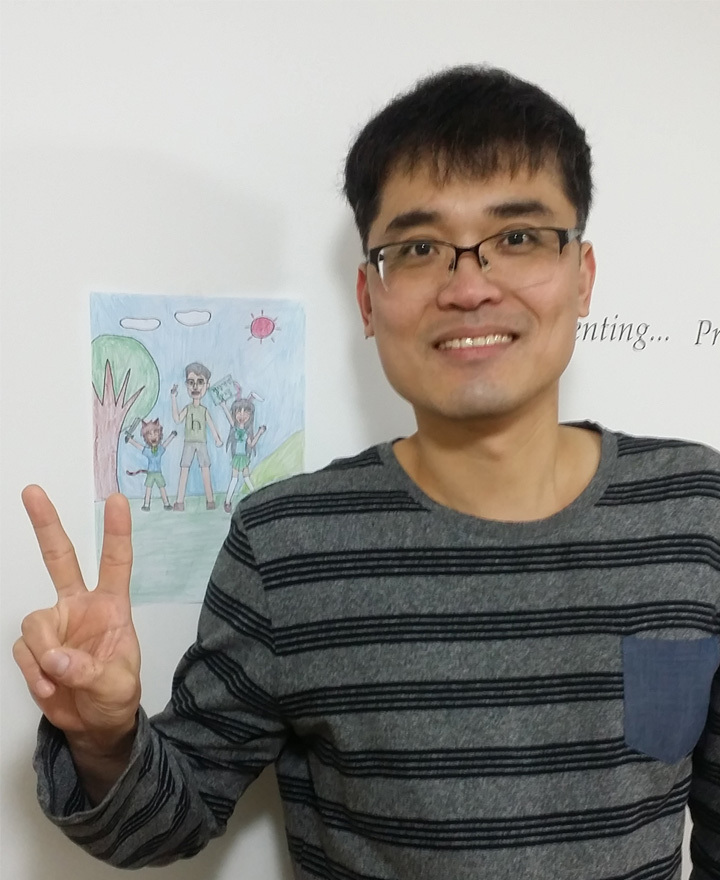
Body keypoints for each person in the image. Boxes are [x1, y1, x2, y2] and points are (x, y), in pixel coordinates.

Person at [13, 66, 720, 878]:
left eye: (519, 237)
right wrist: (104, 737)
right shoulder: (287, 544)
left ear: (582, 276)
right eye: (418, 248)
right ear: (368, 299)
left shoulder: (696, 509)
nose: (470, 286)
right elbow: (164, 826)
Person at [170, 361, 224, 511]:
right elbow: (177, 419)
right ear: (187, 385)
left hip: (201, 443)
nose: (195, 387)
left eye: (200, 382)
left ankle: (210, 500)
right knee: (184, 469)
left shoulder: (204, 410)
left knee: (205, 469)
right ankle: (179, 501)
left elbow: (211, 425)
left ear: (207, 385)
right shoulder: (187, 408)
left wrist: (217, 438)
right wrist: (173, 398)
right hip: (188, 443)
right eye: (191, 382)